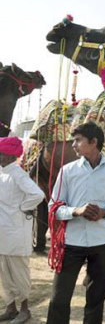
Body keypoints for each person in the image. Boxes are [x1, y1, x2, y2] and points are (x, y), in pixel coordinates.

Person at [46, 122, 105, 324]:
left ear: (94, 142)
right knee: (59, 299)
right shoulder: (67, 171)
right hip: (71, 243)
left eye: (78, 140)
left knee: (96, 300)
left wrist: (103, 213)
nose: (73, 145)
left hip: (102, 244)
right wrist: (76, 211)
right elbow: (53, 207)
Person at [0, 137, 44, 323]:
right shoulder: (2, 173)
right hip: (3, 231)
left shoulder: (18, 174)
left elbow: (38, 194)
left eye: (1, 153)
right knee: (4, 272)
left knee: (19, 272)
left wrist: (22, 206)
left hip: (16, 231)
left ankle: (25, 310)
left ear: (9, 155)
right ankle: (11, 308)